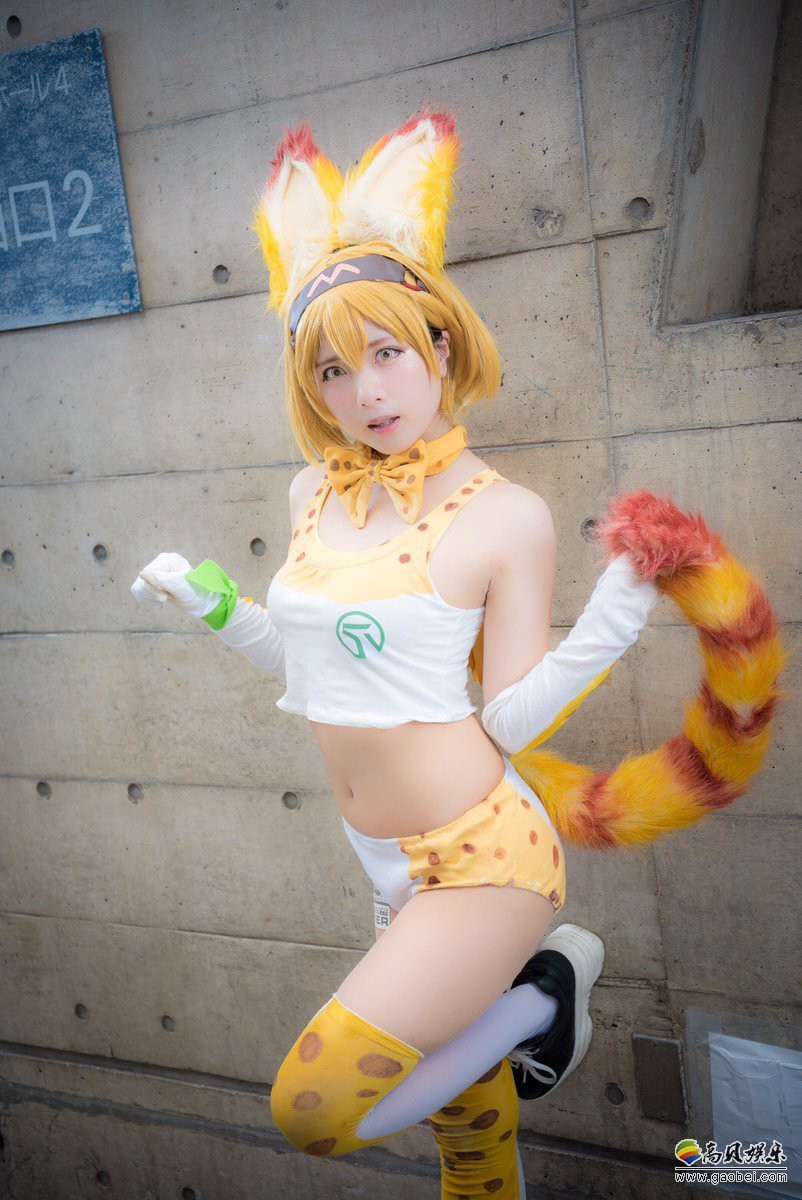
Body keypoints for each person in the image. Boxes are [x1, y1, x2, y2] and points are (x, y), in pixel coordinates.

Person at [131, 110, 784, 1199]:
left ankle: (542, 996)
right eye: (333, 369)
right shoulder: (309, 495)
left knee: (315, 1112)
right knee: (470, 1146)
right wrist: (215, 608)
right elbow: (314, 676)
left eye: (387, 353)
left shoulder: (504, 515)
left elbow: (510, 714)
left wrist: (619, 610)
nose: (365, 393)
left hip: (482, 858)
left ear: (439, 346)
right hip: (381, 857)